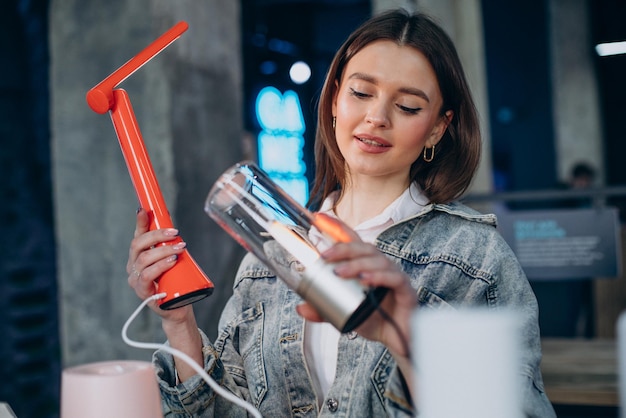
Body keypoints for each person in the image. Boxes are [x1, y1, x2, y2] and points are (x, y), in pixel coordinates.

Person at [127, 9, 556, 417]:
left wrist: (408, 342)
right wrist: (179, 324)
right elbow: (228, 411)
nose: (376, 117)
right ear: (334, 101)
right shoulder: (269, 258)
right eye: (360, 92)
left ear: (438, 128)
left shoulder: (475, 260)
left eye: (407, 106)